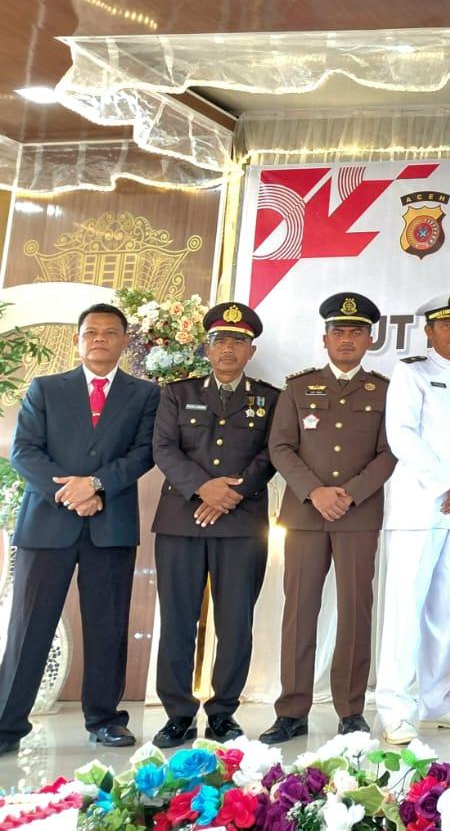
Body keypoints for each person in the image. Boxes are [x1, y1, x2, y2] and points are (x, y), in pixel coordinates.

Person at [0, 303, 159, 756]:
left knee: (108, 625)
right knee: (30, 625)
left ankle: (105, 719)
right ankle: (7, 724)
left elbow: (144, 453)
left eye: (110, 332)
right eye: (91, 332)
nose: (99, 339)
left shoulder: (145, 395)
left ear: (124, 341)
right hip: (46, 525)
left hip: (110, 526)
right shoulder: (46, 388)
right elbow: (24, 451)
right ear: (78, 340)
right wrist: (69, 492)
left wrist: (96, 484)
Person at [262, 292, 397, 744]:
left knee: (356, 612)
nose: (347, 340)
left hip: (357, 515)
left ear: (370, 340)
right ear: (325, 339)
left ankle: (351, 709)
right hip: (304, 514)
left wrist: (350, 494)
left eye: (356, 332)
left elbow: (389, 452)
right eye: (339, 332)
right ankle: (291, 711)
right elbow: (281, 447)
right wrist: (314, 491)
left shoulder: (384, 391)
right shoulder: (298, 388)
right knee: (299, 611)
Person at [149, 302, 281, 748]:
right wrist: (204, 488)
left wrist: (232, 495)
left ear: (251, 350)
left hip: (241, 523)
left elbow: (272, 453)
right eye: (220, 340)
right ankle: (178, 714)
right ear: (207, 349)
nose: (228, 348)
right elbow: (164, 448)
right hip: (181, 522)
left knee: (235, 622)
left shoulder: (270, 398)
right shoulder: (177, 393)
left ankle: (223, 712)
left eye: (238, 341)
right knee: (178, 620)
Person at [375, 290, 450, 744]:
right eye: (446, 324)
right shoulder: (411, 373)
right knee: (406, 610)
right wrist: (449, 483)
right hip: (420, 506)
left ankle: (439, 701)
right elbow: (401, 435)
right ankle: (395, 709)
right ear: (429, 330)